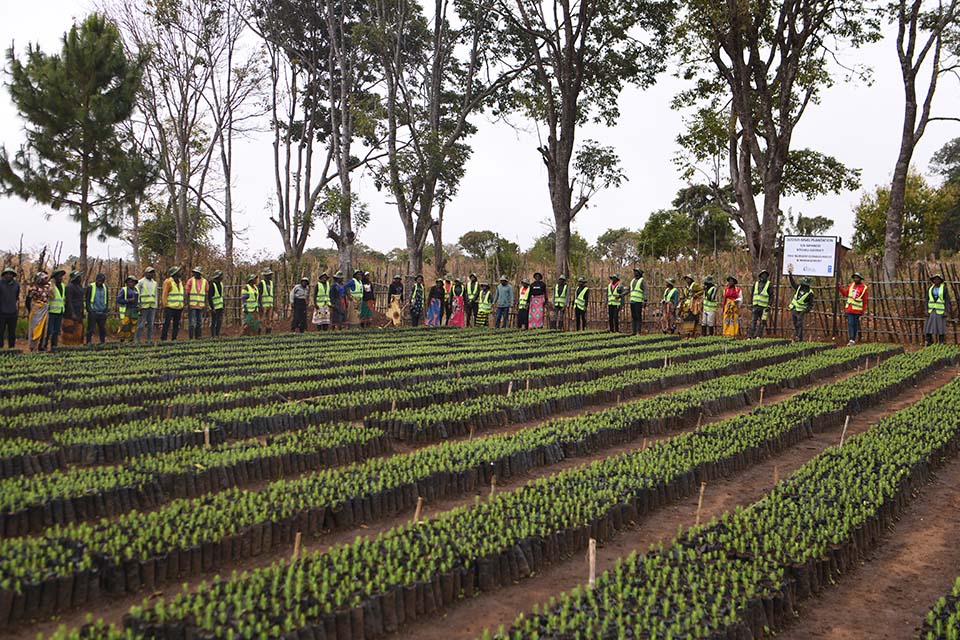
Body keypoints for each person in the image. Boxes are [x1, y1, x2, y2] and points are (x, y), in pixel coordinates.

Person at [839, 272, 868, 346]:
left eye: (857, 278)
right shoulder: (851, 285)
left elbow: (865, 300)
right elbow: (846, 294)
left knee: (855, 324)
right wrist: (840, 288)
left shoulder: (864, 288)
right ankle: (851, 339)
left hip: (858, 310)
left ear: (860, 279)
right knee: (850, 323)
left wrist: (863, 310)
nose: (855, 279)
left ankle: (853, 338)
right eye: (854, 278)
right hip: (849, 308)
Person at [786, 269, 814, 342]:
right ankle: (797, 337)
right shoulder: (799, 287)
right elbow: (793, 283)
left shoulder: (810, 293)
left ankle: (799, 338)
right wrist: (790, 275)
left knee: (799, 324)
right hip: (794, 308)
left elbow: (810, 305)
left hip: (801, 311)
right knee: (796, 324)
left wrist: (804, 311)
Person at [25, 272, 50, 351]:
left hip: (45, 309)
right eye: (44, 279)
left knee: (43, 328)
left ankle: (41, 345)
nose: (46, 280)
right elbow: (27, 300)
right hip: (36, 309)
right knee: (35, 328)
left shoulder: (46, 288)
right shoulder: (33, 289)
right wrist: (30, 310)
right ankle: (33, 346)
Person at [924, 273, 950, 346]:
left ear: (940, 280)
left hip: (940, 311)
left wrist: (946, 311)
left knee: (940, 327)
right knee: (928, 327)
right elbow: (927, 299)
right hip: (931, 310)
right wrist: (926, 309)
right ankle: (929, 341)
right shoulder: (930, 288)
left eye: (938, 279)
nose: (936, 280)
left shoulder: (944, 288)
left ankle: (941, 342)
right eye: (935, 279)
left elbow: (947, 300)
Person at [84, 273, 109, 345]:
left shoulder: (105, 287)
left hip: (102, 312)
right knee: (91, 329)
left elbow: (106, 299)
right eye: (99, 280)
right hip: (93, 312)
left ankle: (102, 342)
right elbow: (87, 300)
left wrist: (106, 309)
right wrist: (90, 311)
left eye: (102, 281)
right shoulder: (91, 287)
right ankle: (88, 343)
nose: (100, 282)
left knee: (102, 329)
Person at [61, 270, 86, 346]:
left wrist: (82, 312)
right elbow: (69, 301)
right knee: (69, 332)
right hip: (70, 313)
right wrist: (72, 313)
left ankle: (77, 345)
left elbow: (81, 300)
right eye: (79, 277)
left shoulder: (80, 287)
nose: (80, 278)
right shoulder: (69, 287)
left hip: (79, 312)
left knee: (79, 332)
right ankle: (68, 346)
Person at [161, 266, 184, 341]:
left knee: (176, 324)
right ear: (175, 273)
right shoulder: (168, 282)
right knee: (167, 324)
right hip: (170, 307)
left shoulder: (180, 282)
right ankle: (163, 339)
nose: (180, 273)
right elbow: (164, 294)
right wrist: (165, 305)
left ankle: (174, 338)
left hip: (178, 307)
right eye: (178, 272)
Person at [136, 267, 158, 343]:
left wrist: (156, 305)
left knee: (150, 325)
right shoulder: (140, 282)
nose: (151, 274)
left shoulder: (154, 283)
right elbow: (137, 294)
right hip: (143, 307)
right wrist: (138, 304)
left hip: (152, 306)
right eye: (149, 272)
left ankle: (148, 340)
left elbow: (155, 295)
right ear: (145, 273)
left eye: (152, 273)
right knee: (141, 325)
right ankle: (137, 340)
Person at [185, 267, 208, 340]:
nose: (195, 274)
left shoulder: (205, 281)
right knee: (192, 323)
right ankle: (191, 338)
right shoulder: (190, 281)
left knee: (199, 323)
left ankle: (198, 337)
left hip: (200, 306)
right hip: (192, 305)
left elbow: (206, 294)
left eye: (197, 273)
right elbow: (187, 293)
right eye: (195, 273)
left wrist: (205, 305)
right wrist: (188, 304)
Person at [748, 269, 772, 339]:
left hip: (764, 308)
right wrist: (751, 304)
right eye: (763, 275)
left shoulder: (769, 284)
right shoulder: (755, 284)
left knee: (763, 322)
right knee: (753, 321)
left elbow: (771, 296)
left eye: (766, 275)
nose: (764, 277)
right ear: (760, 276)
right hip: (755, 306)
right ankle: (750, 335)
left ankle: (758, 335)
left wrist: (769, 305)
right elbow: (752, 294)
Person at [46, 269, 66, 349]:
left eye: (61, 276)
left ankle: (54, 346)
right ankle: (44, 345)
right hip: (51, 311)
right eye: (59, 276)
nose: (61, 278)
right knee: (49, 330)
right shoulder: (49, 286)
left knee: (56, 331)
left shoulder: (63, 286)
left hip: (60, 311)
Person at [116, 275, 140, 343]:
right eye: (130, 282)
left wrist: (139, 306)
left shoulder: (136, 290)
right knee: (124, 325)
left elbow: (138, 300)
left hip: (134, 311)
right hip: (127, 310)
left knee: (133, 326)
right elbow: (119, 300)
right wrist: (128, 300)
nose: (131, 283)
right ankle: (122, 340)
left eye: (133, 282)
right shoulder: (124, 290)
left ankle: (131, 340)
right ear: (127, 283)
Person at [0, 268, 19, 349]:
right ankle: (1, 348)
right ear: (4, 275)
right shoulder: (0, 284)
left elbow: (16, 297)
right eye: (6, 274)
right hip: (1, 312)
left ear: (13, 276)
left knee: (12, 333)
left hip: (13, 312)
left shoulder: (16, 285)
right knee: (0, 332)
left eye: (10, 274)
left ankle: (11, 348)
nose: (8, 275)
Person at [629, 268, 646, 335]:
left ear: (639, 273)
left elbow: (645, 291)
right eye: (634, 272)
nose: (635, 273)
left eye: (636, 272)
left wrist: (645, 300)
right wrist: (621, 295)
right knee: (633, 317)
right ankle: (633, 331)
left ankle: (638, 332)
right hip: (632, 301)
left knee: (638, 316)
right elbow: (628, 289)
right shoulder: (632, 281)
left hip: (638, 301)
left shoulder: (642, 281)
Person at [258, 268, 275, 335]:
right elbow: (259, 294)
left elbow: (272, 294)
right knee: (261, 320)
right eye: (269, 275)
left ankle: (268, 333)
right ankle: (259, 332)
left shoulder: (271, 283)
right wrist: (260, 304)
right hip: (263, 304)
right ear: (266, 275)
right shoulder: (261, 283)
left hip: (270, 304)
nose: (271, 276)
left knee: (269, 319)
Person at [208, 271, 225, 338]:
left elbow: (221, 296)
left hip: (220, 306)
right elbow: (209, 297)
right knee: (213, 322)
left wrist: (223, 304)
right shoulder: (212, 284)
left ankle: (217, 334)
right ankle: (213, 335)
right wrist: (212, 308)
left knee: (219, 321)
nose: (222, 277)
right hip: (214, 307)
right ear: (218, 276)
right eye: (221, 275)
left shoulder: (221, 284)